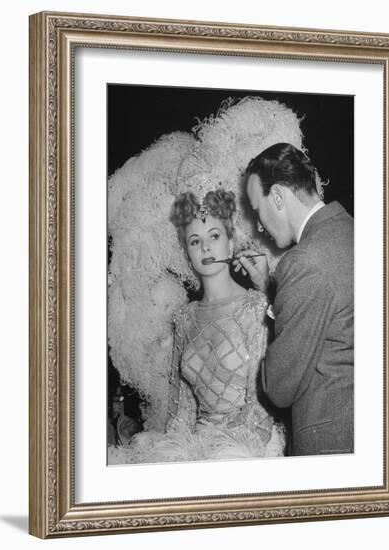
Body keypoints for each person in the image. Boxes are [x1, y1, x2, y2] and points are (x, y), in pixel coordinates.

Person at [124, 188, 285, 463]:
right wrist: (178, 453)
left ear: (231, 243)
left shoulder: (255, 307)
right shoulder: (184, 319)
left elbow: (261, 407)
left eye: (214, 236)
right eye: (195, 241)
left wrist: (219, 452)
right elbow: (182, 408)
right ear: (187, 254)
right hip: (197, 445)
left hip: (247, 447)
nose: (206, 247)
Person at [236, 142, 354, 456]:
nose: (259, 226)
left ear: (278, 197)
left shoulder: (303, 261)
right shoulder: (352, 233)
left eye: (258, 212)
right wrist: (269, 287)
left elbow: (280, 387)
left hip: (332, 446)